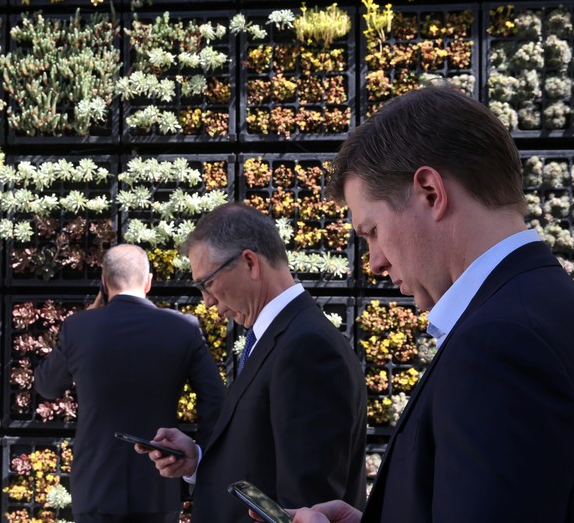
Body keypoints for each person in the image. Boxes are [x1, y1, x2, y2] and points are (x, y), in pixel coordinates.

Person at [290, 85, 574, 523]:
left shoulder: (502, 345)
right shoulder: (553, 311)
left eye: (371, 231)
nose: (375, 262)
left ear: (429, 191)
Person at [137, 203, 368, 522]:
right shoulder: (283, 336)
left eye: (208, 283)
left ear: (249, 262)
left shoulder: (307, 347)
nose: (207, 302)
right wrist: (198, 461)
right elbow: (262, 462)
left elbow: (306, 507)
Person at [34, 244, 226, 523]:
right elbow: (216, 402)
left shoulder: (78, 327)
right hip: (159, 484)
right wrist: (201, 463)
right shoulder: (184, 328)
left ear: (103, 282)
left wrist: (85, 318)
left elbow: (46, 386)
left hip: (95, 486)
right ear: (148, 282)